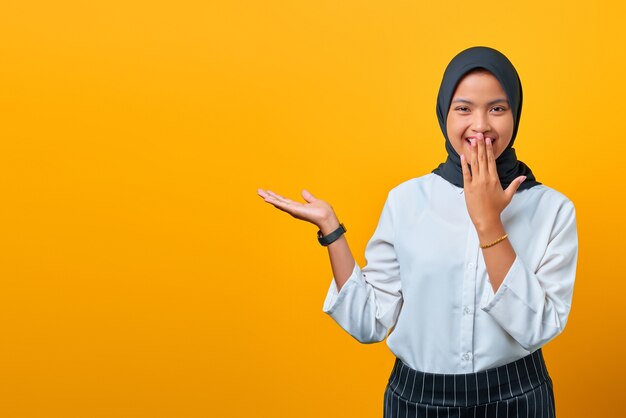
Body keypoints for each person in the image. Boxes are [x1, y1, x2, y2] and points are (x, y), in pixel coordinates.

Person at [257, 46, 577, 418]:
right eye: (464, 108)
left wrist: (488, 222)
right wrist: (332, 230)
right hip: (417, 400)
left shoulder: (553, 209)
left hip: (517, 398)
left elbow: (536, 327)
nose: (480, 125)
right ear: (444, 113)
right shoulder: (407, 201)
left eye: (497, 108)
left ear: (515, 114)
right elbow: (368, 321)